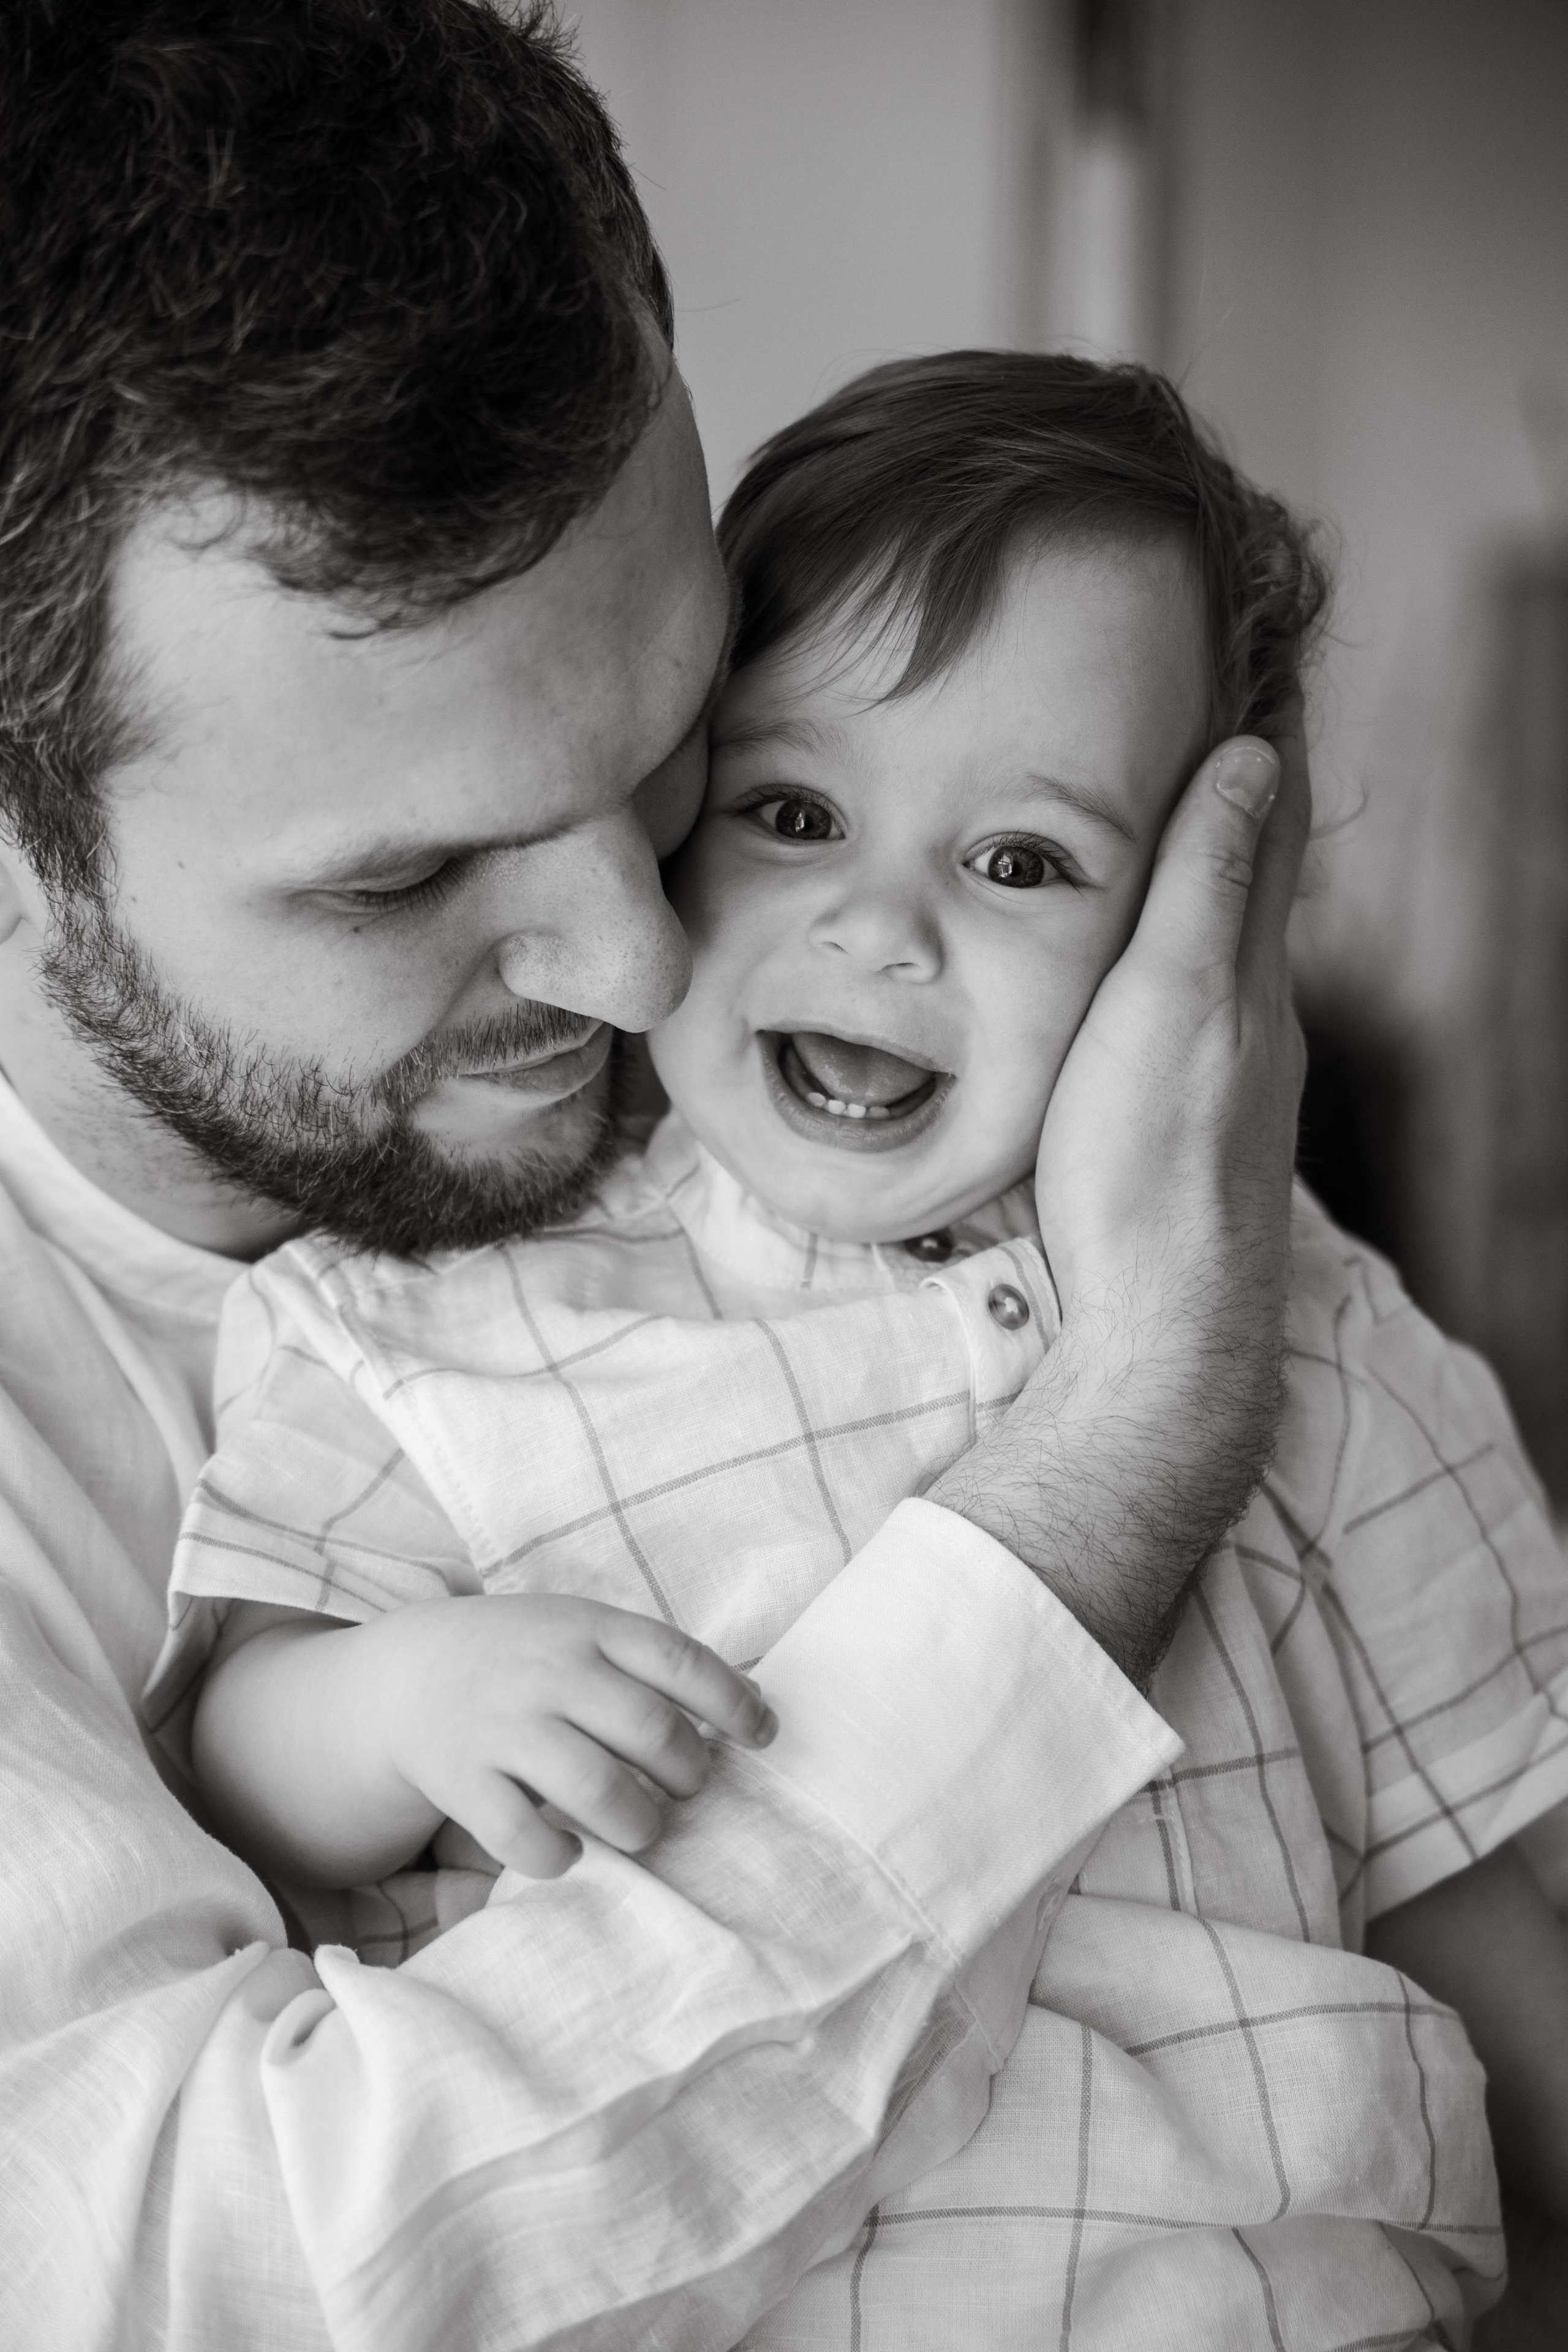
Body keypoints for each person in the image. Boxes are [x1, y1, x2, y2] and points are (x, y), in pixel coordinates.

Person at [0, 4, 1349, 2346]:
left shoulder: (900, 1100)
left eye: (676, 743)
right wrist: (1122, 1450)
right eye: (406, 878)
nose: (636, 964)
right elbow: (220, 2271)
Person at [148, 352, 1568, 2348]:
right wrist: (398, 1707)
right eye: (795, 810)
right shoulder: (431, 1322)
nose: (882, 925)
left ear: (1201, 939)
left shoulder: (1297, 1318)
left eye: (1023, 862)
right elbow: (231, 1743)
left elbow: (1475, 1885)